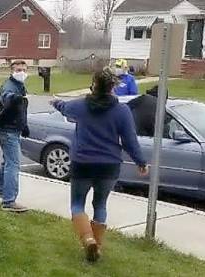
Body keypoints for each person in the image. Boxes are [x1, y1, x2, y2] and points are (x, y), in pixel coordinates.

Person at [50, 68, 149, 262]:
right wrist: (141, 162)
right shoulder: (122, 110)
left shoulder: (81, 105)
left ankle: (88, 240)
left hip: (82, 163)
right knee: (100, 204)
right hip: (109, 165)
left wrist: (56, 102)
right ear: (113, 87)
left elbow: (65, 107)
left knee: (77, 204)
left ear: (94, 85)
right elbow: (130, 140)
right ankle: (97, 245)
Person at [0, 60, 30, 213]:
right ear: (12, 71)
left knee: (7, 161)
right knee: (13, 164)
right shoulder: (9, 86)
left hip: (12, 127)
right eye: (18, 69)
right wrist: (15, 98)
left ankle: (0, 189)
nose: (21, 72)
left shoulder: (20, 86)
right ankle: (8, 201)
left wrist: (24, 126)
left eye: (24, 69)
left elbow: (20, 110)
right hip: (7, 129)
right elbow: (6, 98)